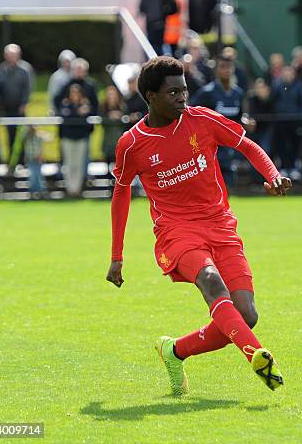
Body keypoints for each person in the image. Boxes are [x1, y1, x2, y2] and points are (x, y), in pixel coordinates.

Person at [105, 56, 291, 395]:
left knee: (246, 314)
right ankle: (256, 354)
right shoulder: (131, 144)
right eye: (173, 92)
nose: (182, 98)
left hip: (220, 225)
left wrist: (273, 175)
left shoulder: (202, 119)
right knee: (210, 281)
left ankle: (173, 351)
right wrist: (117, 255)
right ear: (151, 96)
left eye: (184, 91)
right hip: (176, 232)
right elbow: (120, 196)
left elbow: (247, 146)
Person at [190, 56, 247, 188]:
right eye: (222, 67)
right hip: (210, 146)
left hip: (229, 147)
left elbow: (239, 116)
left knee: (228, 184)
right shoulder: (207, 93)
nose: (226, 70)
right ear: (216, 70)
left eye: (229, 67)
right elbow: (191, 113)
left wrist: (246, 122)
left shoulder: (238, 93)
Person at [57, 83, 95, 198]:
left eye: (77, 93)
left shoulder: (85, 104)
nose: (75, 95)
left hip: (81, 138)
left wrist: (82, 113)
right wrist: (78, 113)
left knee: (78, 165)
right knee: (69, 164)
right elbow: (66, 117)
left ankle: (76, 189)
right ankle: (70, 188)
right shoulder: (65, 104)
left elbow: (90, 118)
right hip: (68, 138)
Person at [0, 43, 31, 166]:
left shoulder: (24, 71)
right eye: (9, 55)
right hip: (6, 108)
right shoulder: (1, 69)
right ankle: (11, 160)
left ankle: (22, 160)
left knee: (21, 136)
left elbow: (27, 89)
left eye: (14, 55)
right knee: (9, 135)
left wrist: (24, 103)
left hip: (20, 108)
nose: (11, 57)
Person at [47, 49, 76, 114]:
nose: (67, 64)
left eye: (69, 62)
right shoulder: (56, 76)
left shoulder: (76, 75)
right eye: (65, 62)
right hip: (60, 106)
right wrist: (52, 108)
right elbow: (52, 93)